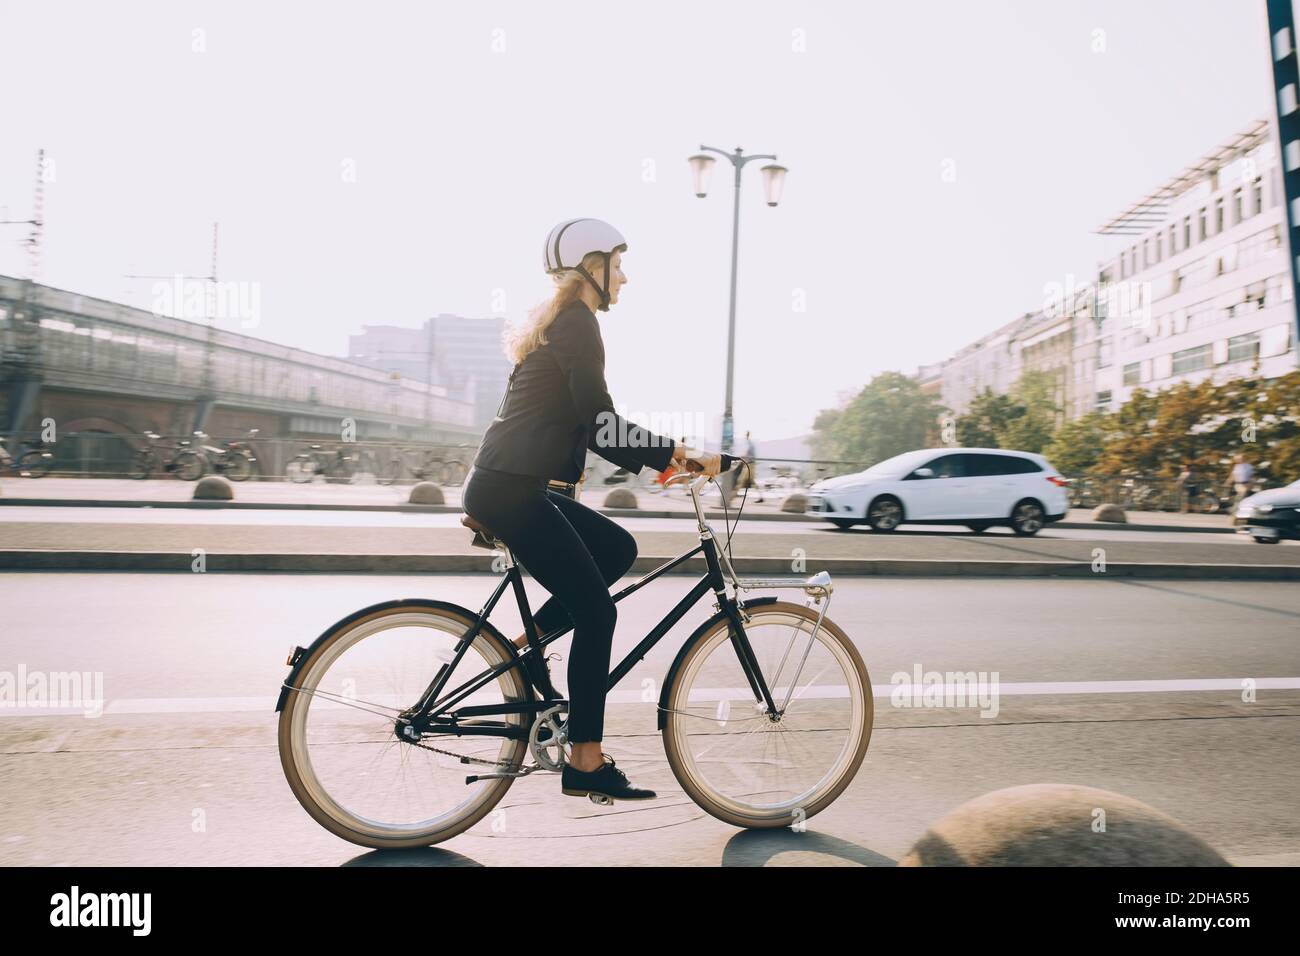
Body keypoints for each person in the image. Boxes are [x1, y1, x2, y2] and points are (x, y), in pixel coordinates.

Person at [462, 217, 722, 802]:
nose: (624, 279)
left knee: (616, 549)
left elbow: (579, 422)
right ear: (591, 267)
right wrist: (678, 453)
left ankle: (526, 642)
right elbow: (602, 424)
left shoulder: (560, 324)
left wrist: (665, 459)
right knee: (598, 615)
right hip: (511, 490)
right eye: (618, 265)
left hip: (509, 484)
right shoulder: (578, 325)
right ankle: (585, 759)